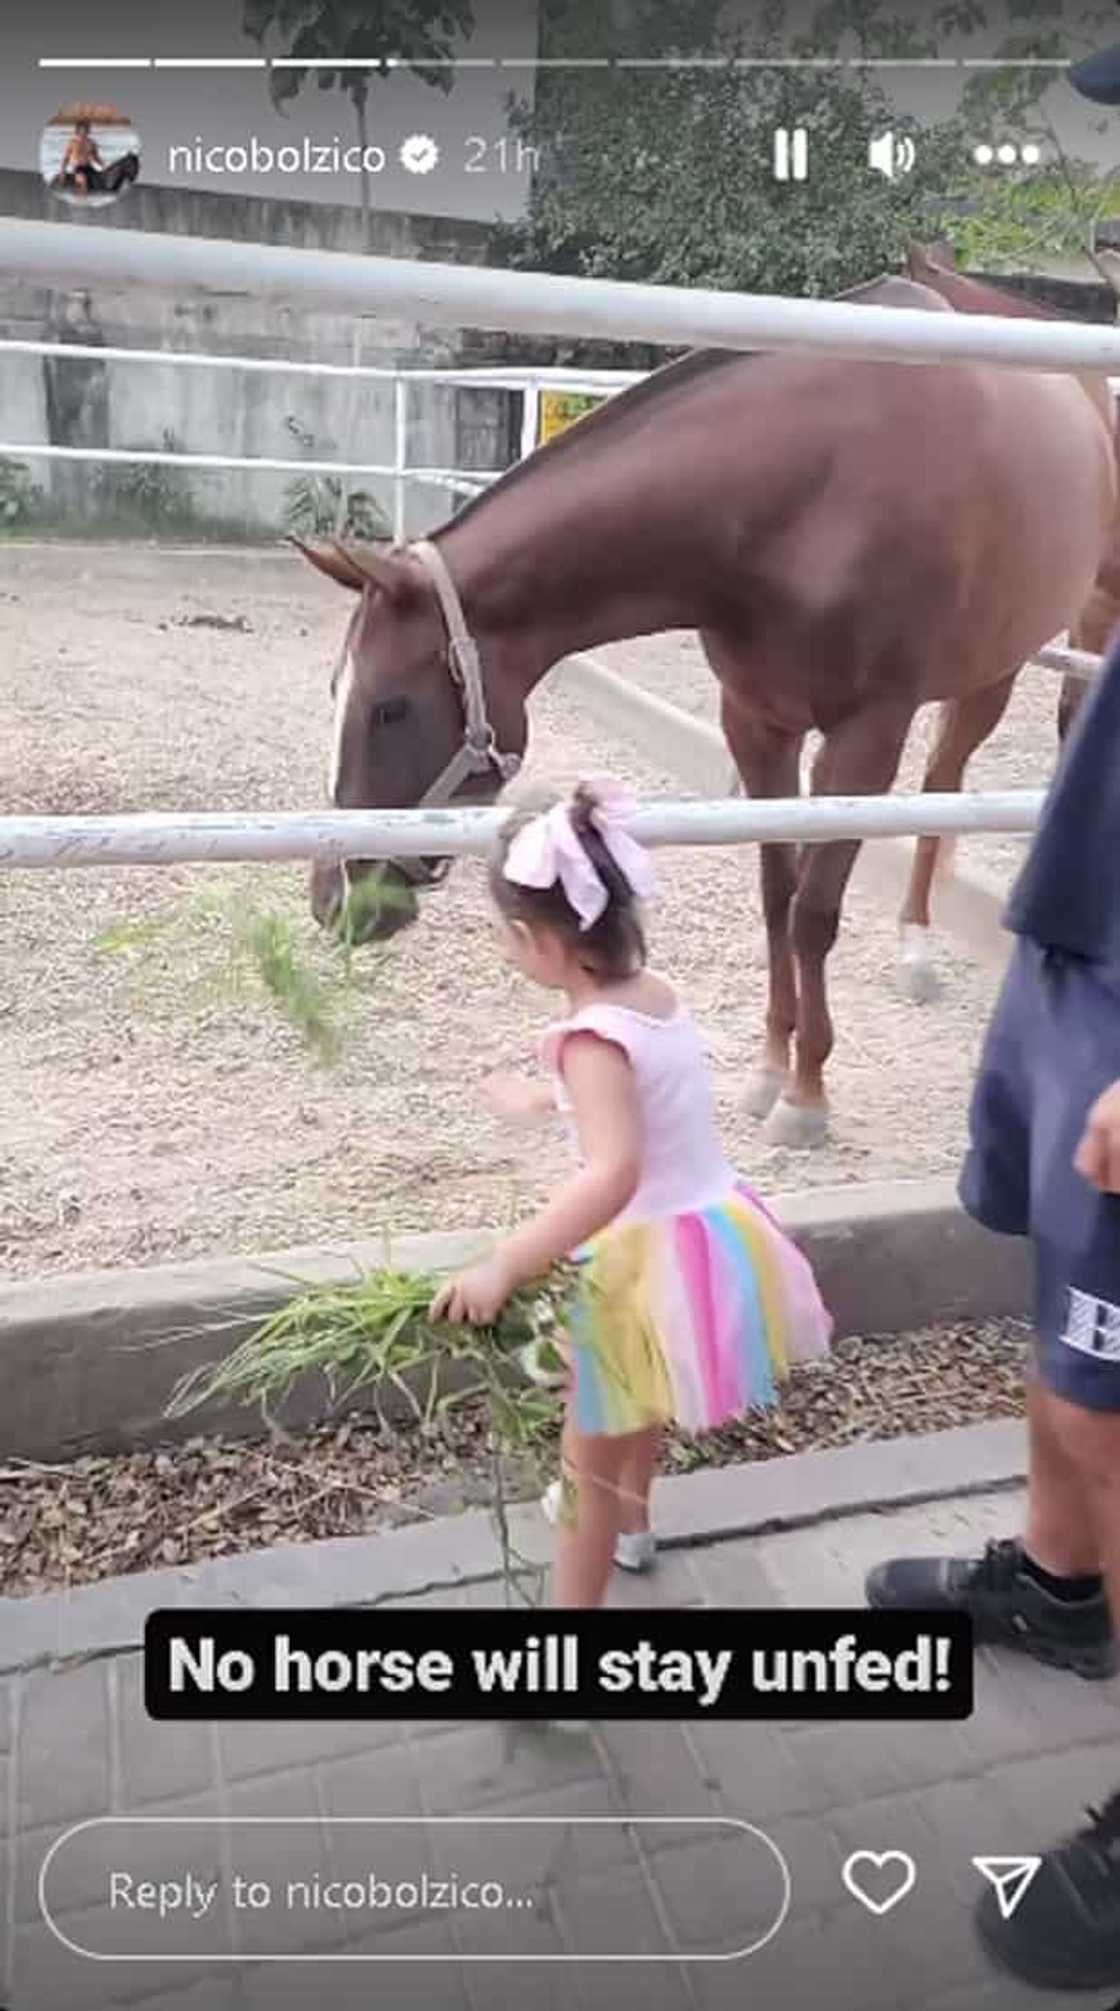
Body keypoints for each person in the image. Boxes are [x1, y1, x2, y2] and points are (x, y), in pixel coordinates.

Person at [430, 777, 832, 1609]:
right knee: (645, 1392)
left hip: (639, 1248)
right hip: (707, 1234)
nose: (508, 956)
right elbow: (642, 1099)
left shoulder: (588, 1037)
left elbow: (612, 1170)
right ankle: (636, 1523)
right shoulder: (655, 999)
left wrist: (505, 1263)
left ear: (530, 938)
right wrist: (540, 1098)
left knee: (585, 1466)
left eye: (507, 943)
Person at [57, 119, 105, 197]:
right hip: (78, 168)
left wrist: (104, 166)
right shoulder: (72, 142)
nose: (85, 131)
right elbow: (66, 158)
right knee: (83, 180)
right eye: (83, 129)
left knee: (101, 181)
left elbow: (96, 157)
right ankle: (82, 199)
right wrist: (62, 172)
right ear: (78, 130)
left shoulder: (92, 142)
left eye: (87, 129)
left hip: (89, 167)